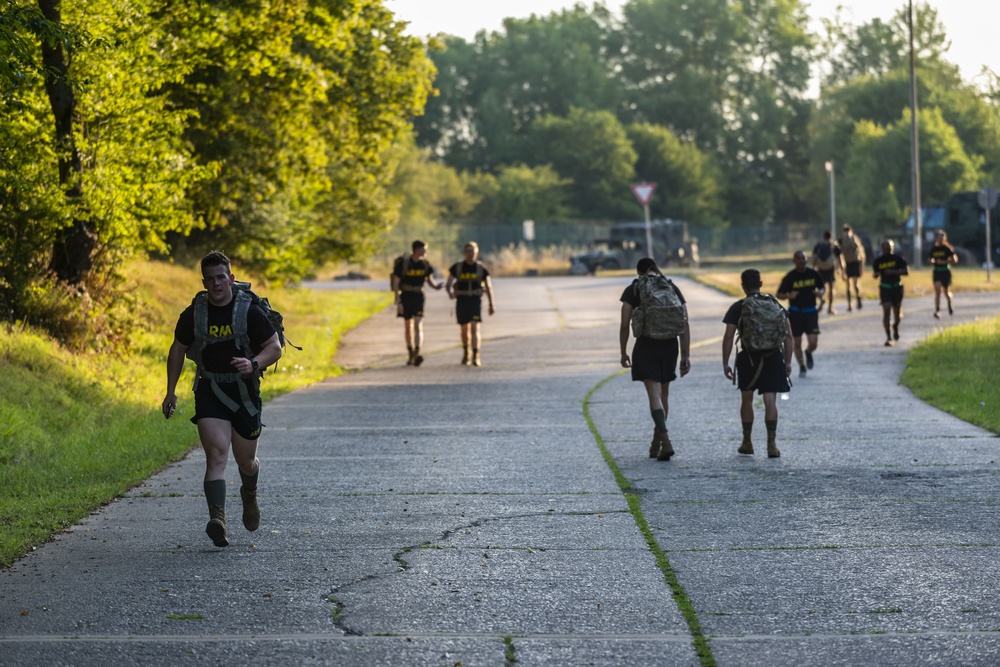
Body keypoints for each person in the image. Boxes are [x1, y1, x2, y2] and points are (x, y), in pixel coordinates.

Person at [162, 251, 282, 548]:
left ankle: (249, 494)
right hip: (210, 389)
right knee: (216, 455)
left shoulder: (248, 311)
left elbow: (274, 347)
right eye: (210, 279)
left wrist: (253, 364)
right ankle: (218, 519)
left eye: (221, 277)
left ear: (231, 278)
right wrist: (170, 390)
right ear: (204, 282)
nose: (216, 284)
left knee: (246, 461)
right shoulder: (195, 313)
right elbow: (178, 348)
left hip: (244, 393)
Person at [619, 257, 691, 462]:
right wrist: (686, 355)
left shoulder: (634, 289)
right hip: (670, 346)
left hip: (646, 344)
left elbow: (625, 324)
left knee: (654, 396)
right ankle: (657, 442)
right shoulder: (671, 287)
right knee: (664, 395)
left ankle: (665, 441)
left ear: (638, 272)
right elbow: (684, 322)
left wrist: (623, 351)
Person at [722, 269, 793, 458]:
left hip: (749, 359)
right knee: (770, 401)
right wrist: (788, 362)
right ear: (760, 284)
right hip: (773, 357)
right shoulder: (774, 304)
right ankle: (772, 445)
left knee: (747, 399)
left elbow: (728, 336)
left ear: (742, 286)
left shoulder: (739, 307)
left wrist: (725, 363)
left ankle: (747, 442)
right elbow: (789, 336)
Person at [391, 240, 444, 366]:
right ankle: (410, 352)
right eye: (424, 249)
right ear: (417, 249)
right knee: (408, 324)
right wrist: (398, 300)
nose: (426, 251)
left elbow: (429, 280)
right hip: (406, 296)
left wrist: (436, 287)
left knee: (418, 323)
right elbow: (396, 282)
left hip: (419, 296)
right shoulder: (404, 264)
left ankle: (417, 351)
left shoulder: (425, 264)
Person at [445, 242, 495, 366]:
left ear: (476, 253)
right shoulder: (457, 268)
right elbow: (448, 284)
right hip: (462, 300)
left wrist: (491, 304)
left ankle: (476, 355)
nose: (470, 253)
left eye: (472, 251)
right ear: (464, 253)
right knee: (464, 329)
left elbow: (488, 287)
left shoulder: (481, 269)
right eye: (468, 251)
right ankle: (466, 352)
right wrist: (450, 292)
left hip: (475, 301)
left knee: (474, 327)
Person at [776, 251, 824, 377]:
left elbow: (822, 287)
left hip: (811, 312)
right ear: (794, 261)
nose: (801, 260)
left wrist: (820, 293)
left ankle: (808, 352)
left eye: (803, 258)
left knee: (813, 342)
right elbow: (778, 294)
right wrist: (788, 295)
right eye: (798, 258)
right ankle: (802, 366)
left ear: (806, 259)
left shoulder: (813, 274)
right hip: (795, 313)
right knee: (796, 342)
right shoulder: (790, 277)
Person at [872, 239, 909, 346]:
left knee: (897, 314)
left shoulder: (898, 259)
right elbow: (875, 274)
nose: (887, 249)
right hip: (885, 288)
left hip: (897, 287)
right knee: (886, 311)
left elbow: (906, 271)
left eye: (889, 247)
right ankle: (888, 337)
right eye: (885, 247)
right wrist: (876, 275)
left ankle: (896, 325)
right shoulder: (878, 261)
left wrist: (893, 272)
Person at [811, 231, 842, 314]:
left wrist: (813, 268)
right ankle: (830, 308)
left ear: (823, 237)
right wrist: (840, 269)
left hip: (820, 270)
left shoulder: (818, 245)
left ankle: (822, 300)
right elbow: (840, 259)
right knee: (831, 288)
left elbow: (814, 258)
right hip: (830, 270)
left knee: (820, 288)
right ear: (831, 237)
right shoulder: (834, 246)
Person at [929, 230, 958, 318]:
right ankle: (937, 310)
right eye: (938, 238)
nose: (940, 239)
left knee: (946, 292)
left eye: (942, 238)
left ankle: (949, 302)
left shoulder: (947, 248)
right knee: (937, 290)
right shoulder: (934, 249)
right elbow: (930, 259)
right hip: (937, 271)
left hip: (945, 271)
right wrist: (933, 261)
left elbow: (955, 260)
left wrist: (945, 261)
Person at [838, 224, 866, 311]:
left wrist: (861, 266)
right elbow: (839, 255)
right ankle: (850, 304)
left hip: (855, 263)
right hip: (847, 264)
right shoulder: (841, 241)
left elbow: (861, 254)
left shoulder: (855, 240)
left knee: (855, 284)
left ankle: (858, 298)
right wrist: (841, 269)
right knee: (848, 286)